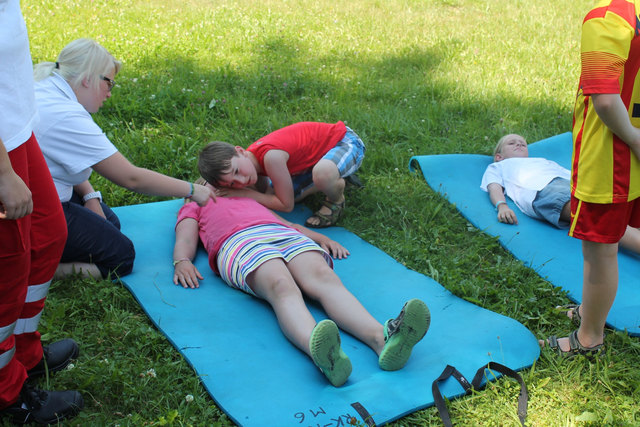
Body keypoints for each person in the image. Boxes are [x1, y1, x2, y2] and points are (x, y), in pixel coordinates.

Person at [172, 180, 430, 387]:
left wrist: (319, 237)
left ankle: (383, 341)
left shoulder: (247, 196)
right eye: (205, 181)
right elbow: (185, 235)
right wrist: (181, 260)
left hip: (282, 234)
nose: (216, 185)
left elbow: (288, 223)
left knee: (325, 280)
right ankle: (324, 355)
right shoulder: (194, 205)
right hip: (239, 242)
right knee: (282, 288)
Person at [32, 38, 215, 280]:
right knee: (120, 257)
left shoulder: (47, 87)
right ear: (88, 78)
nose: (109, 93)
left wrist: (90, 196)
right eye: (109, 83)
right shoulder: (67, 117)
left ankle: (38, 253)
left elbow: (63, 158)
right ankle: (35, 269)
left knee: (110, 223)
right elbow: (131, 178)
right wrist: (192, 190)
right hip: (33, 209)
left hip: (36, 189)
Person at [542, 1, 640, 357]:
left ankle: (588, 339)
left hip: (609, 160)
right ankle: (590, 313)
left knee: (599, 253)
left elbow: (605, 101)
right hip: (627, 156)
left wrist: (633, 139)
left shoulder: (609, 16)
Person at [1, 0, 83, 423]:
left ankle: (25, 353)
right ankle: (7, 394)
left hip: (15, 128)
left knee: (49, 234)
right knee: (6, 271)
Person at [480, 134, 640, 254]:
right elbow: (494, 186)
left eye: (522, 143)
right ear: (498, 157)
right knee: (600, 219)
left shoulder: (542, 161)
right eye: (512, 143)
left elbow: (572, 175)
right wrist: (502, 206)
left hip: (570, 185)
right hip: (543, 190)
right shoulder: (499, 166)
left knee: (617, 211)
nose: (519, 144)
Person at [198, 121, 365, 228]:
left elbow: (286, 206)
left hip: (344, 142)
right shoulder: (250, 160)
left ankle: (336, 197)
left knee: (322, 175)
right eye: (233, 183)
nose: (242, 181)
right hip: (315, 159)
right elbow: (269, 195)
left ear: (240, 151)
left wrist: (245, 193)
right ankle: (333, 173)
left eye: (236, 171)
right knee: (287, 194)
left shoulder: (271, 157)